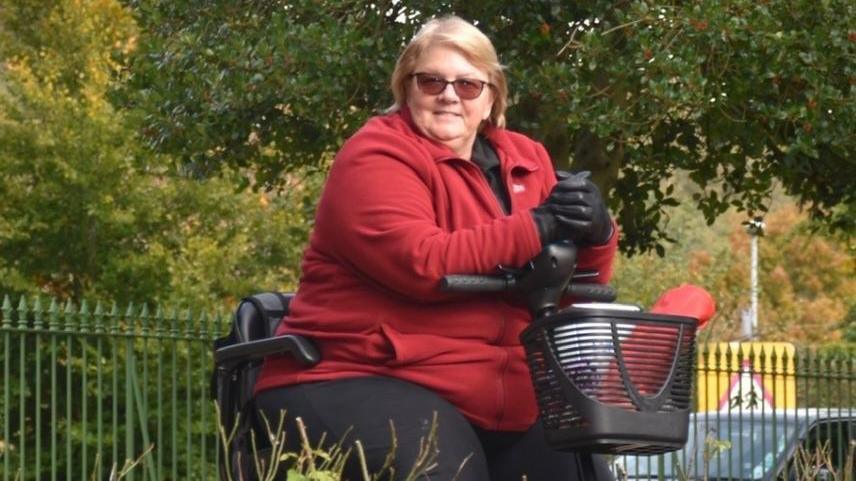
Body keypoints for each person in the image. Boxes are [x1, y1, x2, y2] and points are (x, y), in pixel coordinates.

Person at [255, 15, 618, 481]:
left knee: (585, 473)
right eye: (432, 81)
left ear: (492, 99)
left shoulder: (528, 160)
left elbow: (572, 289)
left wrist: (597, 233)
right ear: (407, 89)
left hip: (505, 391)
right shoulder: (376, 156)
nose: (449, 95)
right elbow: (422, 262)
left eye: (468, 85)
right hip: (363, 372)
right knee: (444, 469)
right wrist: (539, 224)